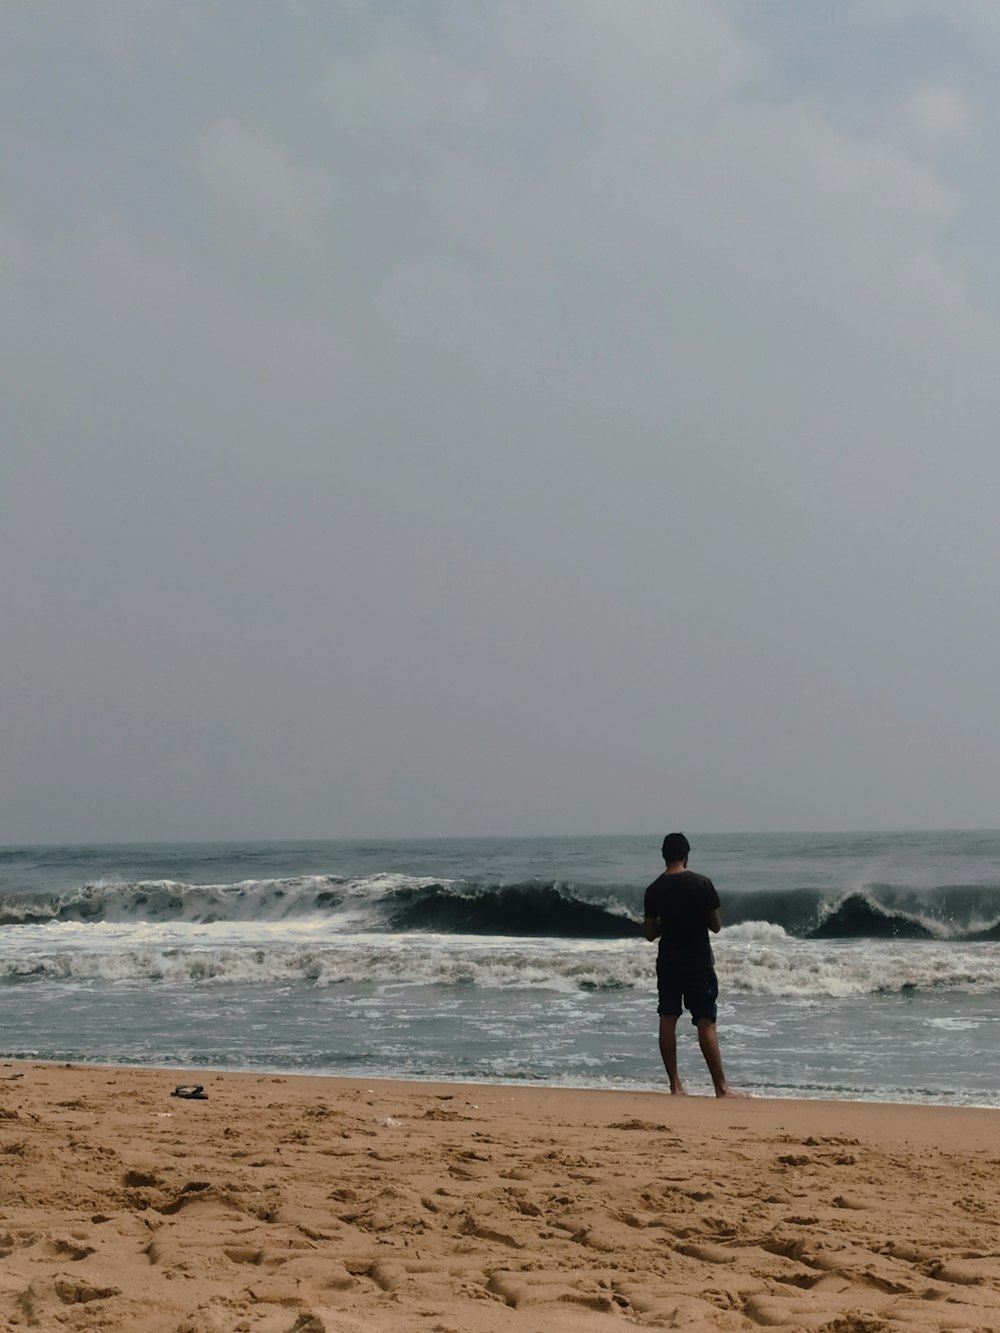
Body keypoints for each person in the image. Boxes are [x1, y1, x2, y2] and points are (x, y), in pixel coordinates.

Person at [643, 832, 741, 1097]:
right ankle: (720, 1088)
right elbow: (716, 926)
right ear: (687, 855)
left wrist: (667, 922)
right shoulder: (702, 884)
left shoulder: (653, 889)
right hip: (697, 960)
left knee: (667, 1017)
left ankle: (675, 1085)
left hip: (668, 961)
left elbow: (650, 933)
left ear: (664, 856)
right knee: (705, 1022)